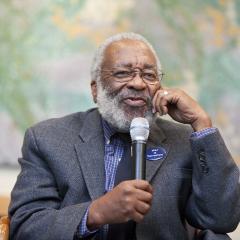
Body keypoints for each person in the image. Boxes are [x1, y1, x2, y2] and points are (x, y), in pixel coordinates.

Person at [9, 32, 240, 240]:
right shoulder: (47, 139)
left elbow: (222, 220)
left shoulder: (184, 140)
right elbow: (26, 226)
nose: (138, 83)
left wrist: (202, 124)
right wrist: (97, 212)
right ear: (95, 89)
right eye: (122, 73)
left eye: (149, 75)